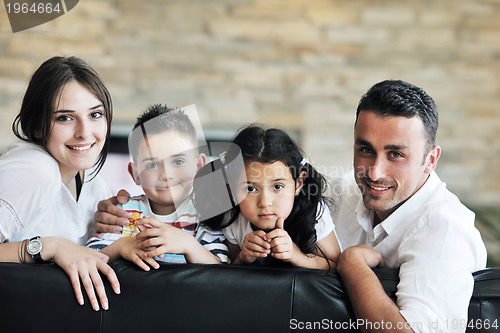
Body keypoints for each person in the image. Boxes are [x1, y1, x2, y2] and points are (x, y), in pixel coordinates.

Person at [332, 80, 487, 332]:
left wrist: (352, 264)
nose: (374, 172)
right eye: (365, 149)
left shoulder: (447, 229)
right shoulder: (341, 192)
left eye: (395, 154)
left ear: (430, 160)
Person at [0, 56, 120, 312]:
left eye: (96, 114)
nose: (85, 132)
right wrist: (48, 246)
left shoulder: (93, 182)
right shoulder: (35, 169)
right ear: (36, 127)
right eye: (65, 118)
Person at [87, 105, 229, 268]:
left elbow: (221, 268)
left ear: (199, 166)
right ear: (136, 174)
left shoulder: (205, 213)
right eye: (152, 164)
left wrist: (190, 245)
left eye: (178, 161)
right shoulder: (123, 212)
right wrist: (120, 246)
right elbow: (90, 257)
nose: (166, 174)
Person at [195, 125, 340, 269]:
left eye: (277, 187)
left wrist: (296, 255)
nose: (265, 202)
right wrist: (243, 258)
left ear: (298, 184)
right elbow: (228, 273)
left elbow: (335, 265)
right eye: (250, 189)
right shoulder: (234, 218)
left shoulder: (314, 212)